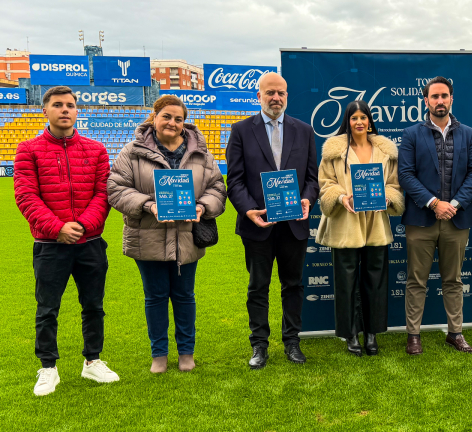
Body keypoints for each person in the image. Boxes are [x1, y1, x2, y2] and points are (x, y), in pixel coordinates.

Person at [108, 95, 226, 373]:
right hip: (147, 236)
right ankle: (159, 354)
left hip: (187, 235)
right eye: (167, 116)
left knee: (185, 296)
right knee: (156, 296)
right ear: (154, 117)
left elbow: (217, 188)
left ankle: (187, 352)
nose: (172, 122)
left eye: (179, 118)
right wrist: (148, 205)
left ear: (184, 123)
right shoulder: (132, 151)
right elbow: (116, 189)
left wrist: (202, 206)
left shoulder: (201, 153)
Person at [14, 85, 119, 396]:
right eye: (57, 105)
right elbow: (26, 196)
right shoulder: (28, 150)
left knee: (93, 306)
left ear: (77, 111)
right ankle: (48, 367)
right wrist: (57, 227)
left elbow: (104, 195)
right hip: (50, 244)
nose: (65, 110)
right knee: (47, 308)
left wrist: (83, 226)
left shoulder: (97, 150)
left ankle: (93, 361)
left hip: (90, 242)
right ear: (44, 110)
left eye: (70, 105)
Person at [226, 72, 319, 369]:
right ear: (259, 96)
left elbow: (311, 178)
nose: (275, 97)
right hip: (257, 226)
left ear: (287, 96)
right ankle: (259, 345)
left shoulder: (304, 131)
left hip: (294, 223)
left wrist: (307, 198)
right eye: (270, 93)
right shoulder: (240, 130)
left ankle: (292, 342)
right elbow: (235, 181)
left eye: (281, 92)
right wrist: (249, 210)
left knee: (293, 285)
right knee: (258, 286)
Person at [398, 76, 472, 355]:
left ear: (451, 99)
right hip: (421, 219)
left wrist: (454, 204)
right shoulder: (412, 134)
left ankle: (455, 333)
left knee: (453, 280)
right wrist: (434, 203)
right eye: (434, 97)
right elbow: (406, 175)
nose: (440, 101)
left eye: (444, 96)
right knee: (416, 280)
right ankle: (413, 335)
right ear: (426, 101)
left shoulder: (468, 133)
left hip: (456, 219)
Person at [315, 100, 404, 356]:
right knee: (346, 282)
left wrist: (387, 197)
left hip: (375, 223)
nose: (359, 122)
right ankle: (351, 333)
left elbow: (394, 184)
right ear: (347, 121)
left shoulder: (386, 151)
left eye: (363, 117)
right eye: (354, 118)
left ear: (370, 120)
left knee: (375, 280)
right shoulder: (333, 151)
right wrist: (342, 197)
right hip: (346, 223)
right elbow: (325, 183)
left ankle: (372, 333)